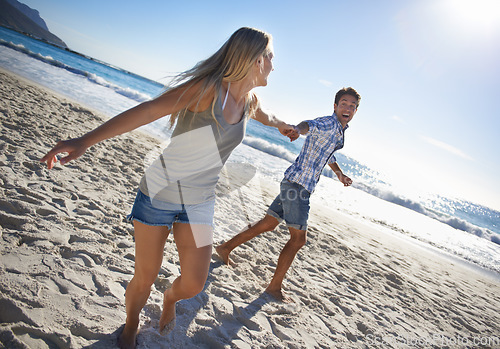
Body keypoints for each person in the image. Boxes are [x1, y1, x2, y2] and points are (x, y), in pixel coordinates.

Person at [40, 27, 297, 349]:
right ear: (256, 59)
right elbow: (148, 110)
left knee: (193, 283)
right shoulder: (206, 90)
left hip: (200, 203)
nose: (274, 64)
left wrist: (284, 126)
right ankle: (131, 324)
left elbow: (267, 116)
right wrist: (85, 141)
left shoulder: (249, 101)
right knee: (145, 276)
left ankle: (170, 299)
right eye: (271, 57)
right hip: (159, 195)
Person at [216, 87, 360, 303]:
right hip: (298, 186)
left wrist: (339, 174)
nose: (347, 108)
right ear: (335, 106)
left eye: (352, 106)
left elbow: (327, 154)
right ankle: (274, 287)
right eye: (344, 103)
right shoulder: (329, 123)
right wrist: (296, 129)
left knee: (268, 224)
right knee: (298, 240)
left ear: (356, 110)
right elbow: (308, 125)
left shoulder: (339, 132)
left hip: (295, 183)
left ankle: (225, 247)